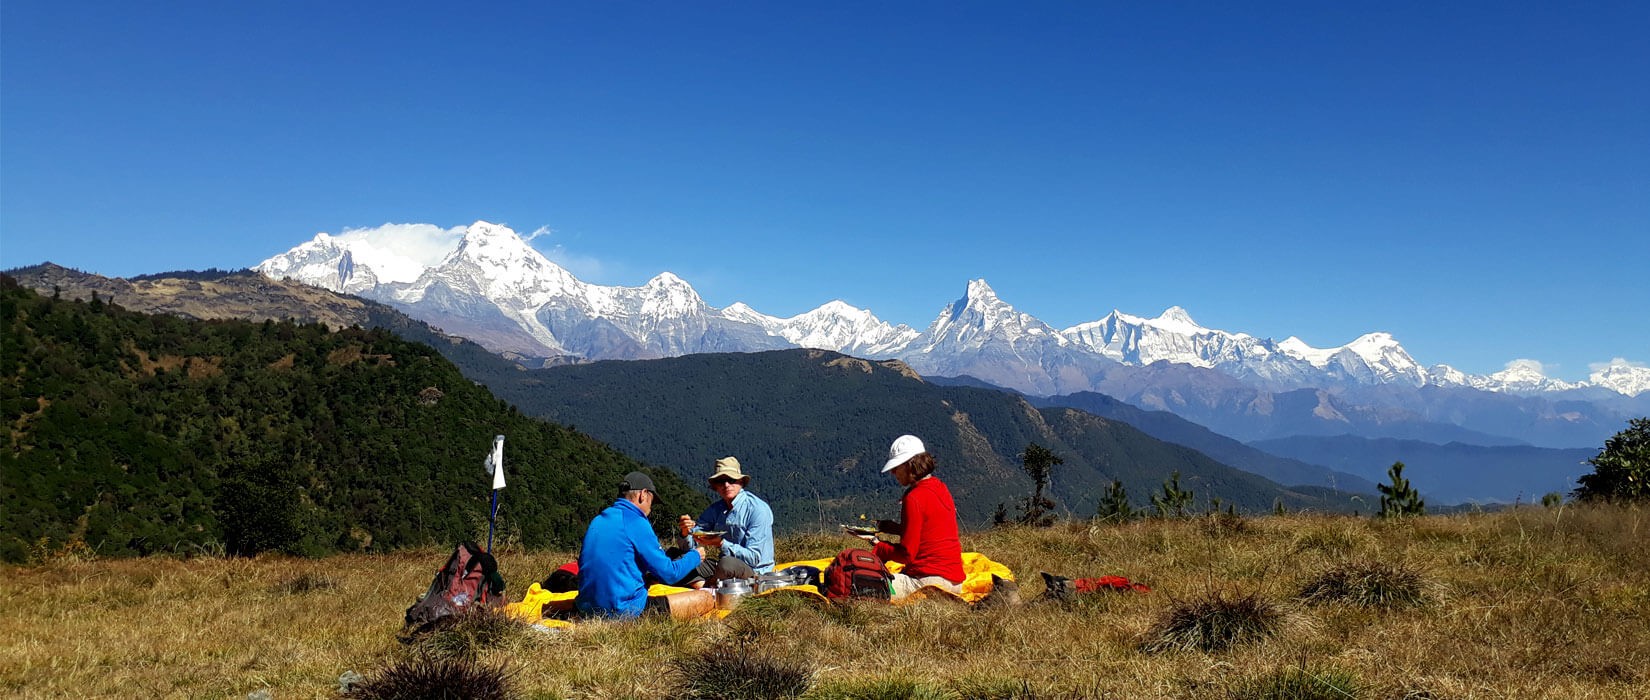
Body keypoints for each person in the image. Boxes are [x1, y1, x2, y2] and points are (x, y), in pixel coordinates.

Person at [575, 471, 712, 618]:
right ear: (643, 495)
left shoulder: (598, 520)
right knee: (705, 599)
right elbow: (670, 574)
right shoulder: (636, 521)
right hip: (621, 612)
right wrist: (695, 556)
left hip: (584, 608)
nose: (650, 509)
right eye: (651, 502)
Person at [852, 435, 965, 598]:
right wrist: (896, 529)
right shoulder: (940, 487)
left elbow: (906, 554)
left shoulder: (914, 498)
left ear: (909, 465)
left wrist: (878, 544)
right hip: (955, 582)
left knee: (856, 584)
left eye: (896, 467)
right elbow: (929, 530)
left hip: (928, 582)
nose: (893, 472)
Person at [675, 456, 775, 587]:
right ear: (715, 486)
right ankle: (706, 585)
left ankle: (704, 586)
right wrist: (685, 532)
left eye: (731, 480)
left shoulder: (757, 509)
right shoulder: (716, 509)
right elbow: (692, 543)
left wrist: (722, 544)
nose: (726, 485)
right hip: (721, 566)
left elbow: (755, 558)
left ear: (741, 482)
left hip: (754, 572)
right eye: (721, 481)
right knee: (675, 557)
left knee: (726, 564)